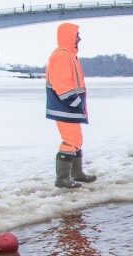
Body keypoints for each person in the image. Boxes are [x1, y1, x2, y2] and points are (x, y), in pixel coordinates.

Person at [45, 22, 96, 189]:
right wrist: (74, 102)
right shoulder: (62, 55)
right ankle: (62, 178)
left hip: (70, 107)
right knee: (70, 140)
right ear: (69, 36)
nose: (79, 38)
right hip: (65, 107)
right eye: (76, 35)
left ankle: (76, 174)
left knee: (76, 139)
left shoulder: (68, 54)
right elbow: (62, 84)